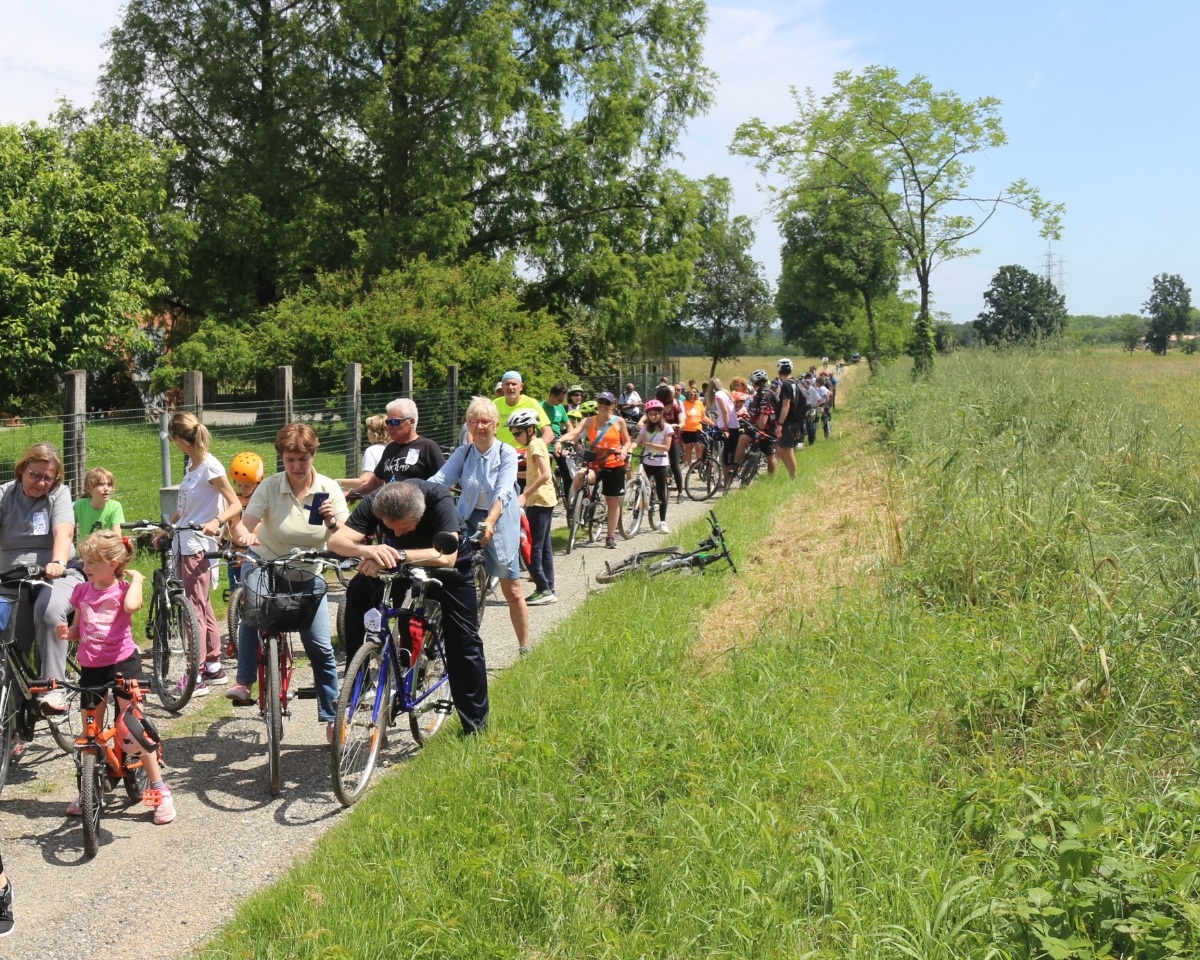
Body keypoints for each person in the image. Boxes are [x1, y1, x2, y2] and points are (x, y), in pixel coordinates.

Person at [330, 480, 489, 734]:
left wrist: (398, 554)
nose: (398, 534)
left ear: (420, 513)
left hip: (447, 568)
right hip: (397, 564)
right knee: (358, 590)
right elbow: (337, 542)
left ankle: (476, 727)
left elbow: (446, 556)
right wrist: (369, 551)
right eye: (391, 529)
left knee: (464, 642)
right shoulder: (378, 501)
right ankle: (357, 681)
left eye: (404, 528)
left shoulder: (438, 501)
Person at [226, 425, 347, 739]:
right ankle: (244, 681)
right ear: (281, 458)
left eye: (302, 459)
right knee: (252, 610)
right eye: (290, 459)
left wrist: (332, 521)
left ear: (313, 455)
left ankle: (332, 717)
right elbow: (244, 527)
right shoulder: (269, 487)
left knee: (319, 646)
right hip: (267, 564)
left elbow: (348, 536)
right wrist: (244, 536)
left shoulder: (328, 488)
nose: (296, 466)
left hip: (308, 574)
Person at [59, 531, 175, 824]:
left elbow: (132, 607)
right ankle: (91, 789)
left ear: (111, 564)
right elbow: (78, 628)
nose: (85, 568)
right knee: (91, 732)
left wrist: (137, 579)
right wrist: (67, 633)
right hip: (91, 667)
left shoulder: (123, 588)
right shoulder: (82, 591)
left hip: (123, 663)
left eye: (91, 563)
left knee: (134, 729)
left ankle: (159, 789)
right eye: (84, 562)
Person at [431, 397, 530, 653]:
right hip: (467, 516)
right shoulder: (463, 453)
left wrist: (490, 522)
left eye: (485, 421)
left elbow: (504, 490)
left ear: (496, 424)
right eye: (474, 421)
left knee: (513, 588)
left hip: (500, 519)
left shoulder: (505, 452)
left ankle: (524, 645)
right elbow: (440, 479)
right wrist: (411, 492)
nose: (480, 426)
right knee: (449, 570)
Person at [0, 443, 84, 714]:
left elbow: (63, 532)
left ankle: (54, 689)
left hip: (56, 574)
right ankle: (12, 721)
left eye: (48, 477)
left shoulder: (58, 494)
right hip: (12, 579)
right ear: (23, 469)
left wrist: (57, 562)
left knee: (48, 612)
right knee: (10, 643)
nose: (41, 482)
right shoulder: (4, 494)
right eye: (36, 474)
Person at [161, 413, 242, 693]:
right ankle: (212, 665)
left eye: (174, 440)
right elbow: (184, 509)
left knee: (192, 610)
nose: (174, 445)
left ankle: (194, 675)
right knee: (202, 605)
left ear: (180, 439)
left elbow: (235, 504)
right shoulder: (192, 466)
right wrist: (167, 527)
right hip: (184, 540)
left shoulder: (210, 466)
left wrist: (216, 522)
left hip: (197, 546)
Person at [556, 392, 632, 549]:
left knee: (612, 501)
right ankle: (575, 503)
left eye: (607, 402)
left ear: (613, 405)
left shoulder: (619, 422)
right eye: (601, 402)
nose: (603, 405)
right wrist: (560, 440)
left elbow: (627, 441)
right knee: (581, 475)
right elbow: (574, 432)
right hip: (595, 463)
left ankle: (610, 536)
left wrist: (624, 450)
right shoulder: (590, 420)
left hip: (614, 464)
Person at [507, 409, 557, 605]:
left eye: (517, 433)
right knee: (544, 547)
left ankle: (543, 588)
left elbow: (545, 474)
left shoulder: (535, 445)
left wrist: (524, 495)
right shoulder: (537, 444)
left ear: (529, 429)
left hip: (538, 500)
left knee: (530, 546)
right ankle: (548, 587)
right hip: (544, 499)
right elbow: (532, 474)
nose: (515, 437)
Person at [352, 398, 445, 496]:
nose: (389, 427)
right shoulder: (390, 448)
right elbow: (375, 483)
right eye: (387, 422)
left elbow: (444, 482)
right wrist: (351, 493)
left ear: (411, 422)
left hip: (419, 509)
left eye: (395, 422)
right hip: (392, 509)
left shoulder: (427, 447)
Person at [224, 451, 264, 593]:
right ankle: (234, 613)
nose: (243, 489)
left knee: (254, 592)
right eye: (239, 485)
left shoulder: (261, 501)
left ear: (257, 482)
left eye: (247, 486)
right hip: (235, 554)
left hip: (256, 553)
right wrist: (221, 537)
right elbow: (229, 522)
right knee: (235, 591)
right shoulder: (234, 500)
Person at [634, 399, 674, 532]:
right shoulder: (646, 428)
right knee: (639, 487)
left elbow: (666, 447)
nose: (653, 416)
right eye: (650, 414)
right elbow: (637, 441)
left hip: (660, 463)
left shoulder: (667, 428)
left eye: (656, 414)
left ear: (661, 414)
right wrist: (629, 449)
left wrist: (648, 445)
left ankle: (662, 521)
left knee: (661, 492)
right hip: (647, 461)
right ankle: (636, 516)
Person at [732, 369, 777, 477]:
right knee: (742, 439)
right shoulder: (759, 393)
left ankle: (772, 477)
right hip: (756, 426)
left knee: (769, 454)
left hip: (767, 429)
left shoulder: (765, 394)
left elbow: (765, 413)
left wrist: (760, 430)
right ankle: (736, 466)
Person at [494, 371, 553, 447]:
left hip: (525, 454)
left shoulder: (531, 403)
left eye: (514, 384)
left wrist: (536, 450)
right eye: (507, 384)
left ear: (521, 387)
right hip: (502, 453)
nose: (510, 387)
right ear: (502, 386)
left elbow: (549, 433)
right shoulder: (494, 404)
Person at [337, 414, 389, 490]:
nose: (366, 433)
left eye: (368, 429)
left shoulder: (371, 451)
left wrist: (338, 482)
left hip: (379, 496)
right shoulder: (396, 447)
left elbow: (365, 481)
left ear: (375, 432)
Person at [705, 378, 739, 489]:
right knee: (729, 454)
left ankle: (725, 485)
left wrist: (727, 430)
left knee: (727, 458)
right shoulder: (726, 393)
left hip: (727, 426)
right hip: (733, 425)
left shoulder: (718, 395)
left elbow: (724, 412)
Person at [73, 468, 125, 539]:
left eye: (109, 485)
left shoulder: (115, 507)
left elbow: (117, 537)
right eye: (101, 484)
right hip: (83, 550)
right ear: (89, 488)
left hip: (107, 549)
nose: (106, 489)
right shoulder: (79, 505)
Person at [774, 358, 804, 479]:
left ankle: (794, 477)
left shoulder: (786, 385)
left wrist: (780, 424)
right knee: (781, 449)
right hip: (794, 420)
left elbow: (786, 405)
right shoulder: (794, 382)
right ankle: (792, 475)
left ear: (779, 371)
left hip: (788, 421)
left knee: (787, 449)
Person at [655, 384, 685, 500]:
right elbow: (646, 417)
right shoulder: (656, 408)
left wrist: (677, 425)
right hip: (658, 439)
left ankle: (680, 492)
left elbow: (682, 422)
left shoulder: (676, 407)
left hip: (673, 439)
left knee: (675, 466)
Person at [681, 387, 708, 468]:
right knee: (688, 448)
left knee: (698, 446)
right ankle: (689, 465)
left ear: (695, 395)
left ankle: (699, 463)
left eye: (692, 394)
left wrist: (712, 423)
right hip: (687, 429)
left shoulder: (699, 403)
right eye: (689, 394)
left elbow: (704, 417)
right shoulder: (684, 403)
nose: (691, 396)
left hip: (698, 429)